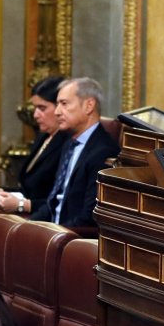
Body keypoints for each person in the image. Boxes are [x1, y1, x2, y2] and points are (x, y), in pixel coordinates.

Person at [27, 77, 120, 227]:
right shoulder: (69, 144)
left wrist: (52, 235)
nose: (57, 112)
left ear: (89, 105)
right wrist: (26, 225)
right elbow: (54, 203)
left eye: (64, 104)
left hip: (71, 240)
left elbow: (90, 217)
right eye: (57, 104)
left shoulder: (103, 151)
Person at [0, 75, 70, 215]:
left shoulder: (69, 143)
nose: (35, 115)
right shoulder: (43, 136)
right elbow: (27, 191)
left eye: (42, 108)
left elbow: (62, 201)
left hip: (44, 221)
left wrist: (23, 205)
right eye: (35, 108)